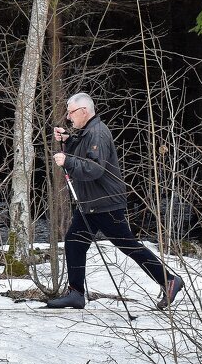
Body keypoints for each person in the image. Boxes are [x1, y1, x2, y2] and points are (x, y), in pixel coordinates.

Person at [47, 92, 185, 310]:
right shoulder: (88, 132)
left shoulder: (98, 133)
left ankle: (169, 280)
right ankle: (75, 293)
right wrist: (68, 140)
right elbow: (85, 155)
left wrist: (68, 160)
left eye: (71, 112)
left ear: (84, 111)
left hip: (105, 202)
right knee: (74, 242)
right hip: (92, 203)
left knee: (128, 245)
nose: (69, 117)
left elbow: (94, 168)